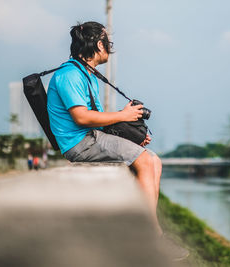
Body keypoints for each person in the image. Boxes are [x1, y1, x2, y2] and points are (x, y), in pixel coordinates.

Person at [47, 21, 163, 235]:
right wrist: (123, 115)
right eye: (108, 41)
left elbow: (99, 120)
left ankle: (145, 225)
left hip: (91, 137)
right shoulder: (70, 75)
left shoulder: (85, 74)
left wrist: (131, 134)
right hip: (80, 143)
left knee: (154, 161)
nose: (109, 46)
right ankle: (151, 233)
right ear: (99, 45)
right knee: (145, 161)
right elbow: (81, 117)